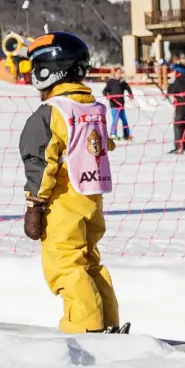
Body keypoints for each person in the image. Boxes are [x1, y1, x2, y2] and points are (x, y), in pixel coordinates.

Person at [18, 33, 120, 334]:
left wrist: (34, 204)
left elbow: (40, 161)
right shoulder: (91, 107)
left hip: (62, 199)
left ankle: (86, 328)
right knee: (88, 261)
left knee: (65, 264)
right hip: (91, 197)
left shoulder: (52, 112)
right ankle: (108, 320)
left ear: (48, 69)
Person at [100, 70, 133, 140]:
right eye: (118, 73)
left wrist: (130, 94)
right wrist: (107, 95)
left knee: (124, 120)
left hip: (121, 105)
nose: (120, 74)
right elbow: (104, 91)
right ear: (115, 73)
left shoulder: (122, 81)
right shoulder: (110, 82)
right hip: (114, 104)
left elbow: (128, 87)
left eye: (121, 73)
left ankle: (127, 135)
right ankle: (113, 134)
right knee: (115, 120)